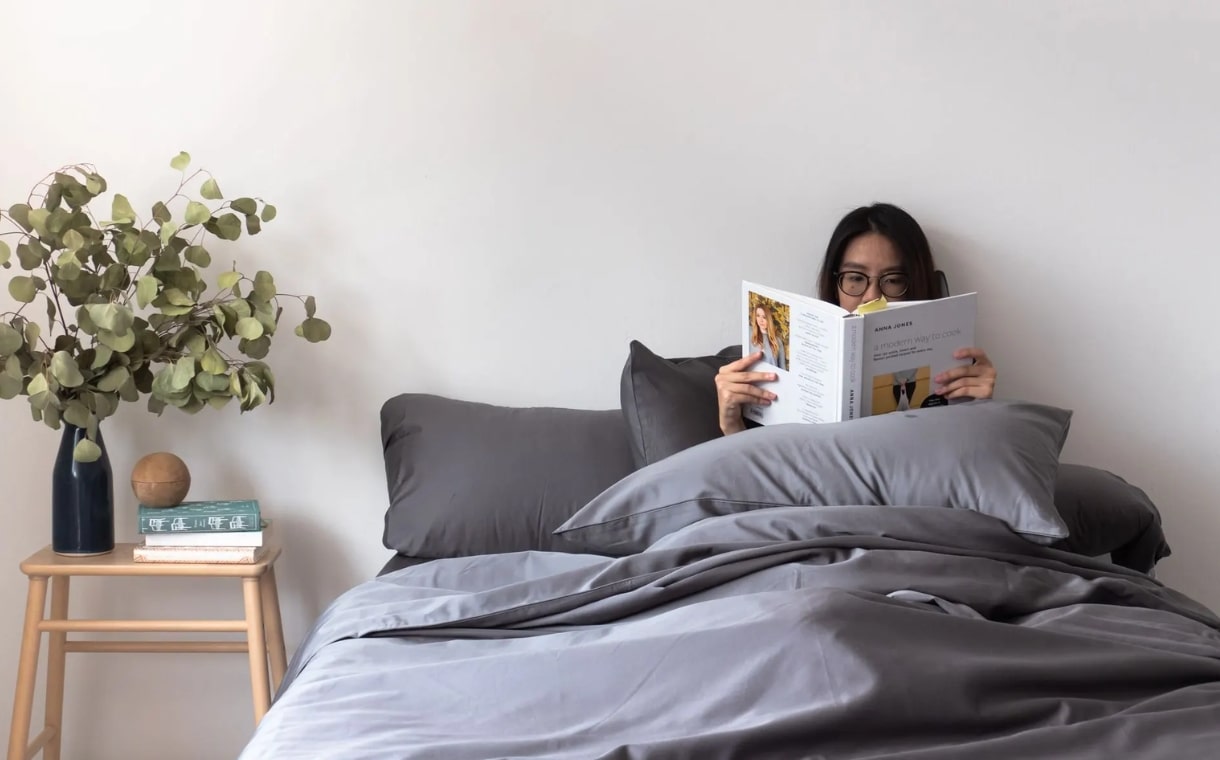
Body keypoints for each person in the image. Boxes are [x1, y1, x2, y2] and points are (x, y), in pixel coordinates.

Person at [715, 202, 998, 436]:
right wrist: (731, 423)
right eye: (854, 278)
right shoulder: (774, 365)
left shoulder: (957, 369)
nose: (872, 297)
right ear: (834, 283)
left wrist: (982, 410)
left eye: (894, 280)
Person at [750, 303, 787, 371]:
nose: (761, 320)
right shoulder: (750, 332)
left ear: (769, 319)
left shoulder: (777, 341)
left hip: (772, 378)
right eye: (758, 316)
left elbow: (782, 368)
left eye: (764, 317)